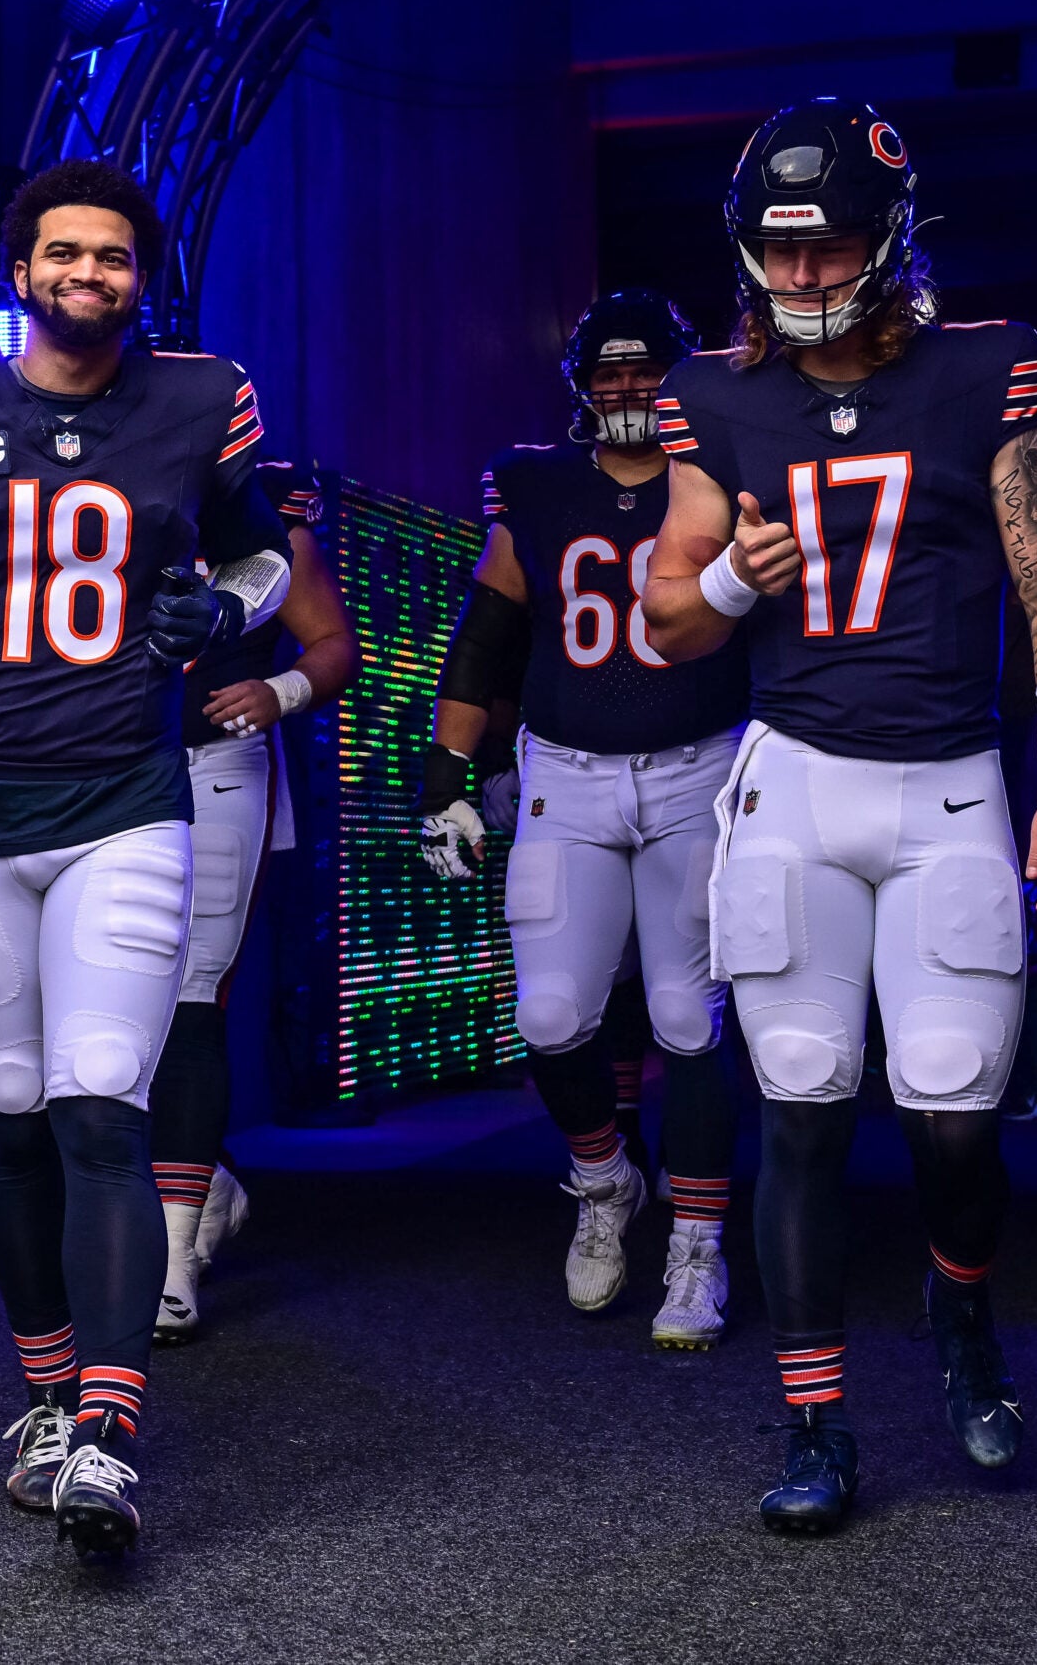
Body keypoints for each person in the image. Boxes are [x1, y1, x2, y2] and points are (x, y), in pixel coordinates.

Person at [643, 100, 1037, 1533]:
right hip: (794, 776)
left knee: (959, 1109)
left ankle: (962, 1312)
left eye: (824, 244)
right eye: (775, 251)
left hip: (952, 780)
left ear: (889, 238)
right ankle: (815, 1418)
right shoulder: (714, 398)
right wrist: (733, 585)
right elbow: (666, 613)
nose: (796, 277)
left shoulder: (991, 374)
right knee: (798, 1100)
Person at [0, 159, 292, 1560]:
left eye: (112, 257)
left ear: (139, 278)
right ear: (21, 270)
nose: (89, 274)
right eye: (65, 253)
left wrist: (211, 610)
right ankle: (44, 1393)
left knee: (104, 1105)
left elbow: (265, 563)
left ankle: (106, 1427)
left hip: (125, 805)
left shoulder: (200, 402)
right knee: (14, 1123)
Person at [418, 290, 751, 1350]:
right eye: (605, 371)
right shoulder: (536, 486)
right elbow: (488, 638)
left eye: (642, 367)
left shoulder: (722, 479)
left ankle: (699, 1244)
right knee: (551, 1016)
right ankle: (604, 1180)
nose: (624, 388)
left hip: (700, 768)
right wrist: (446, 774)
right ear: (579, 384)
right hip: (567, 774)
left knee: (688, 1018)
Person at [150, 462, 360, 1342]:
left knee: (193, 997)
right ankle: (210, 1179)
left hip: (214, 768)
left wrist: (277, 692)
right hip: (99, 767)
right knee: (111, 1009)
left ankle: (169, 1263)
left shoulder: (266, 507)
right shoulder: (98, 474)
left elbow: (333, 643)